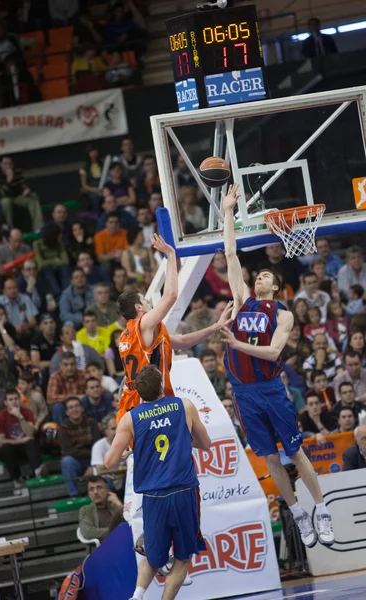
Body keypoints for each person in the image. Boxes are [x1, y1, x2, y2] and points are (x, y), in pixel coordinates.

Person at [220, 183, 335, 548]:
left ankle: (321, 508)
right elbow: (229, 253)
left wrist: (236, 343)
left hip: (270, 388)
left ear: (277, 286)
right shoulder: (241, 300)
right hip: (243, 393)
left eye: (266, 276)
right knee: (269, 459)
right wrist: (227, 212)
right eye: (257, 276)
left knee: (295, 451)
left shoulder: (282, 314)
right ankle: (298, 514)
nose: (259, 278)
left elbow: (272, 353)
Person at [104, 365, 211, 600]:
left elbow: (109, 461)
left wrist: (130, 449)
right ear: (162, 384)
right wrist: (182, 439)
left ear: (140, 393)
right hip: (183, 491)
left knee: (152, 557)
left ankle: (138, 595)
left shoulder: (131, 418)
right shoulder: (184, 406)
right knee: (182, 560)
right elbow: (205, 443)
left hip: (153, 498)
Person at [116, 233, 232, 423]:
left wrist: (216, 326)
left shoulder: (129, 334)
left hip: (132, 403)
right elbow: (170, 295)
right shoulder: (143, 324)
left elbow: (184, 341)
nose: (148, 302)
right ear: (138, 308)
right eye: (145, 300)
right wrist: (171, 255)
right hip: (148, 404)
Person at [0, 388, 43, 494]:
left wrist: (20, 417)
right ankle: (16, 480)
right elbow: (1, 441)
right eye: (10, 400)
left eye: (16, 399)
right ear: (5, 402)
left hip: (26, 447)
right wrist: (21, 440)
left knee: (31, 442)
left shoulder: (27, 412)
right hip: (12, 449)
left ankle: (37, 472)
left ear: (20, 400)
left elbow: (30, 433)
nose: (14, 402)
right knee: (5, 448)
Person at [59, 397, 101, 497]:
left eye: (77, 406)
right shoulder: (63, 428)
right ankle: (74, 495)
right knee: (66, 461)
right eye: (71, 407)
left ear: (82, 408)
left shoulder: (92, 423)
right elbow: (67, 451)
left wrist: (92, 466)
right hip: (76, 460)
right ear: (67, 412)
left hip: (92, 458)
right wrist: (88, 453)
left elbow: (97, 445)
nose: (74, 409)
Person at [0, 156, 44, 231]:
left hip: (17, 197)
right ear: (0, 164)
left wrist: (26, 190)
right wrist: (9, 181)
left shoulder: (17, 171)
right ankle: (9, 229)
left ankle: (38, 227)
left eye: (10, 164)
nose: (8, 166)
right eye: (5, 164)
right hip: (4, 199)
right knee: (6, 201)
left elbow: (23, 184)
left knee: (33, 196)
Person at [78, 476, 124, 543]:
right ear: (89, 494)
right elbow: (89, 533)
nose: (95, 492)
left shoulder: (115, 506)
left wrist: (118, 504)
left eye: (99, 488)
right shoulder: (85, 510)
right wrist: (116, 530)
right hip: (101, 547)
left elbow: (129, 523)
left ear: (107, 491)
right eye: (91, 489)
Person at [0, 276, 38, 343]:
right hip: (6, 333)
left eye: (15, 287)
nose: (13, 291)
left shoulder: (25, 299)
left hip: (24, 333)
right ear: (4, 291)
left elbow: (33, 322)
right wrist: (13, 329)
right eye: (9, 288)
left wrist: (26, 326)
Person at [47, 352, 87, 424]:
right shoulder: (55, 377)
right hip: (64, 406)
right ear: (61, 366)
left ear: (76, 365)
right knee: (57, 407)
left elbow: (94, 388)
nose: (69, 368)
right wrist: (73, 397)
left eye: (72, 364)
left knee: (86, 400)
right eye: (66, 365)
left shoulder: (82, 374)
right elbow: (51, 398)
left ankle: (87, 427)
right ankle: (63, 431)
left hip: (80, 404)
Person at [33, 224, 70, 299]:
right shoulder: (37, 244)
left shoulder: (60, 243)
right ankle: (57, 294)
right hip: (44, 272)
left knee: (64, 267)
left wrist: (49, 261)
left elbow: (66, 261)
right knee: (46, 268)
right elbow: (40, 263)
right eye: (59, 234)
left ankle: (67, 292)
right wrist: (54, 260)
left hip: (57, 269)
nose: (61, 236)